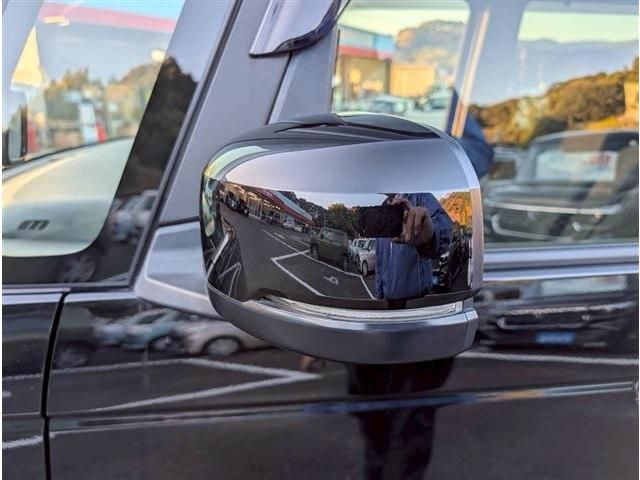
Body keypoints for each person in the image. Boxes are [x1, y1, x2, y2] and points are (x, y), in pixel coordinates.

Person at [375, 193, 453, 302]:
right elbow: (379, 259)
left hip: (417, 302)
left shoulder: (421, 197)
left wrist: (431, 235)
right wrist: (379, 295)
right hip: (388, 302)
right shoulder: (381, 210)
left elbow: (445, 228)